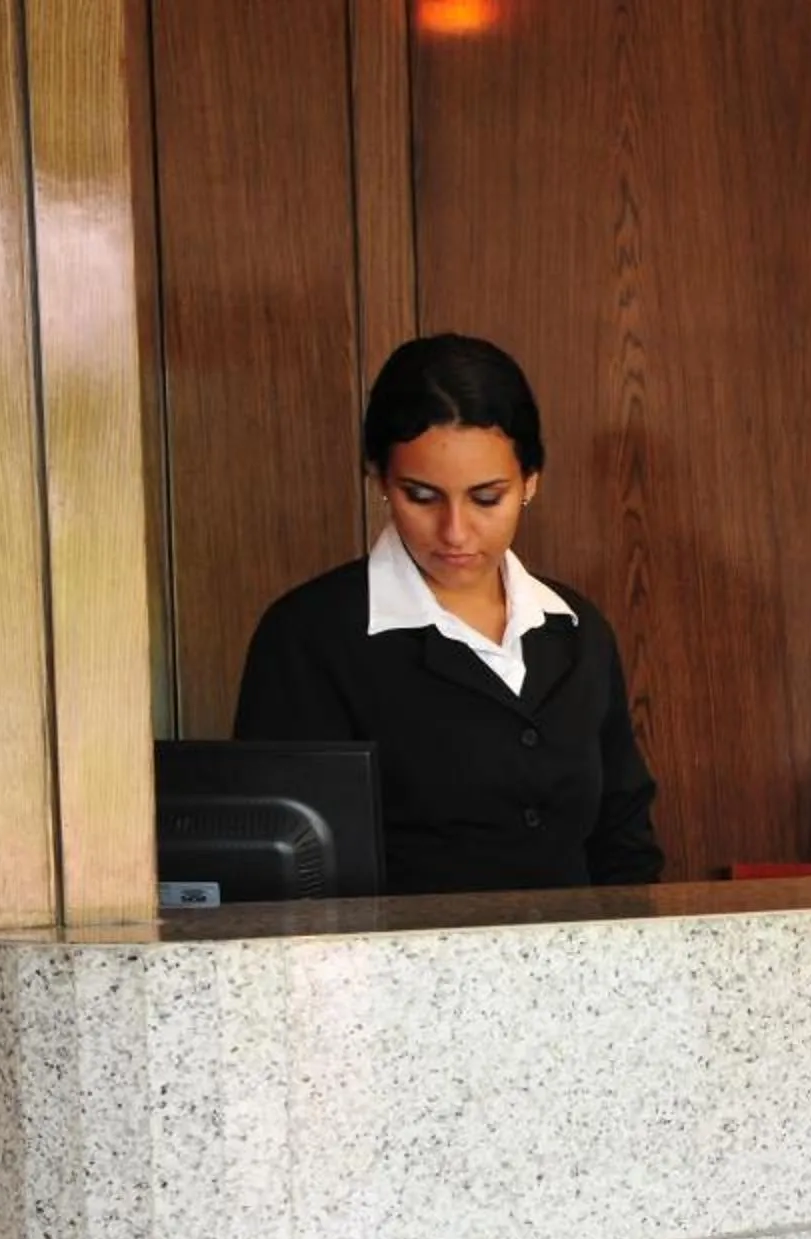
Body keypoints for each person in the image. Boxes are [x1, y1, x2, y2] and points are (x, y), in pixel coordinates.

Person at [235, 334, 661, 895]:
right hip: (392, 978)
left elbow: (622, 836)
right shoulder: (310, 636)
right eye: (421, 496)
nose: (455, 532)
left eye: (487, 499)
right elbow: (286, 873)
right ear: (380, 480)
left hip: (577, 974)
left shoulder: (577, 630)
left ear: (530, 480)